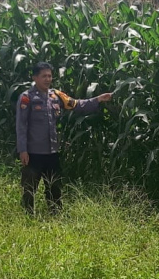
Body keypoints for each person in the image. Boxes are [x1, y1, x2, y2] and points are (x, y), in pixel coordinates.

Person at [16, 62, 112, 214]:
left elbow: (77, 104)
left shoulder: (56, 96)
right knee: (29, 187)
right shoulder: (27, 98)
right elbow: (21, 125)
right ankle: (27, 216)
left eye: (49, 76)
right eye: (44, 76)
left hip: (52, 152)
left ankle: (55, 214)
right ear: (35, 78)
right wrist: (23, 150)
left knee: (54, 186)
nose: (48, 79)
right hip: (33, 152)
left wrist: (98, 99)